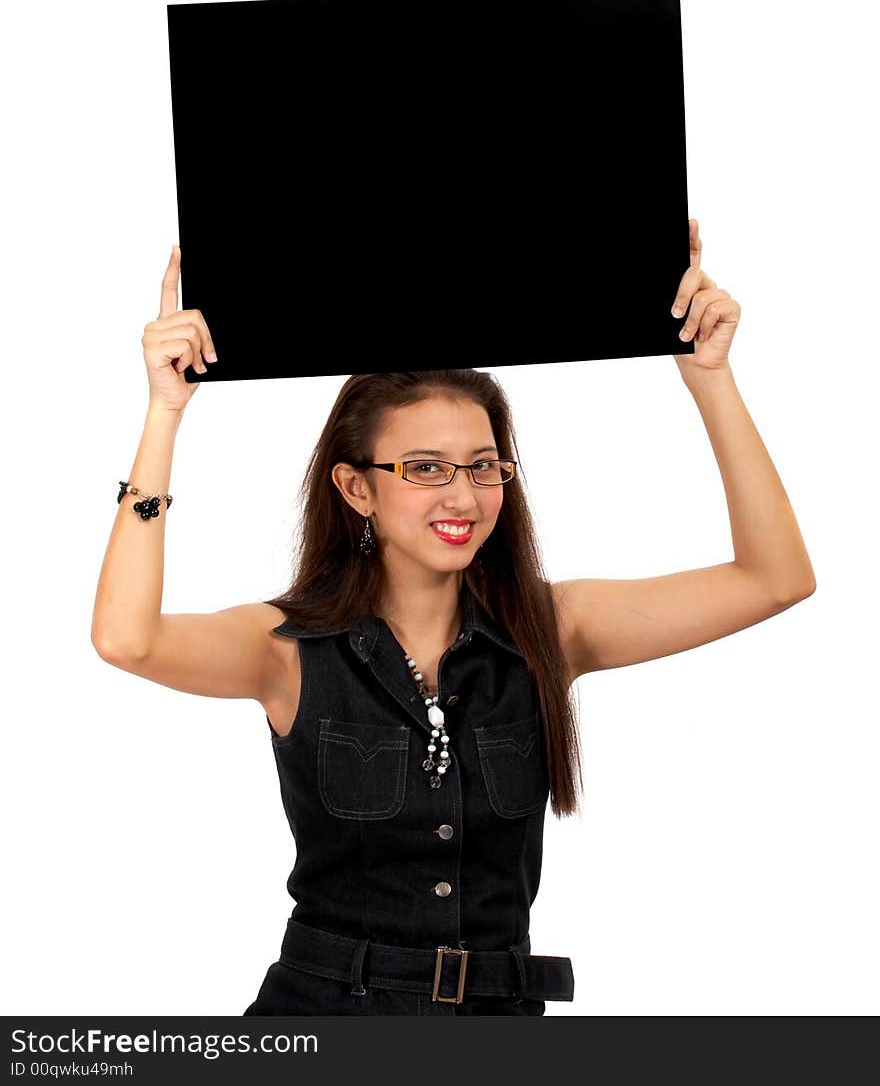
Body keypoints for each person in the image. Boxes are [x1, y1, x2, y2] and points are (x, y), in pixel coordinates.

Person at [90, 220, 817, 1015]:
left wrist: (708, 377)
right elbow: (127, 637)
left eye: (482, 466)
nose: (463, 496)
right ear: (356, 487)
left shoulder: (550, 627)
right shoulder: (288, 650)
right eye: (425, 468)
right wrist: (164, 412)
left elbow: (774, 578)